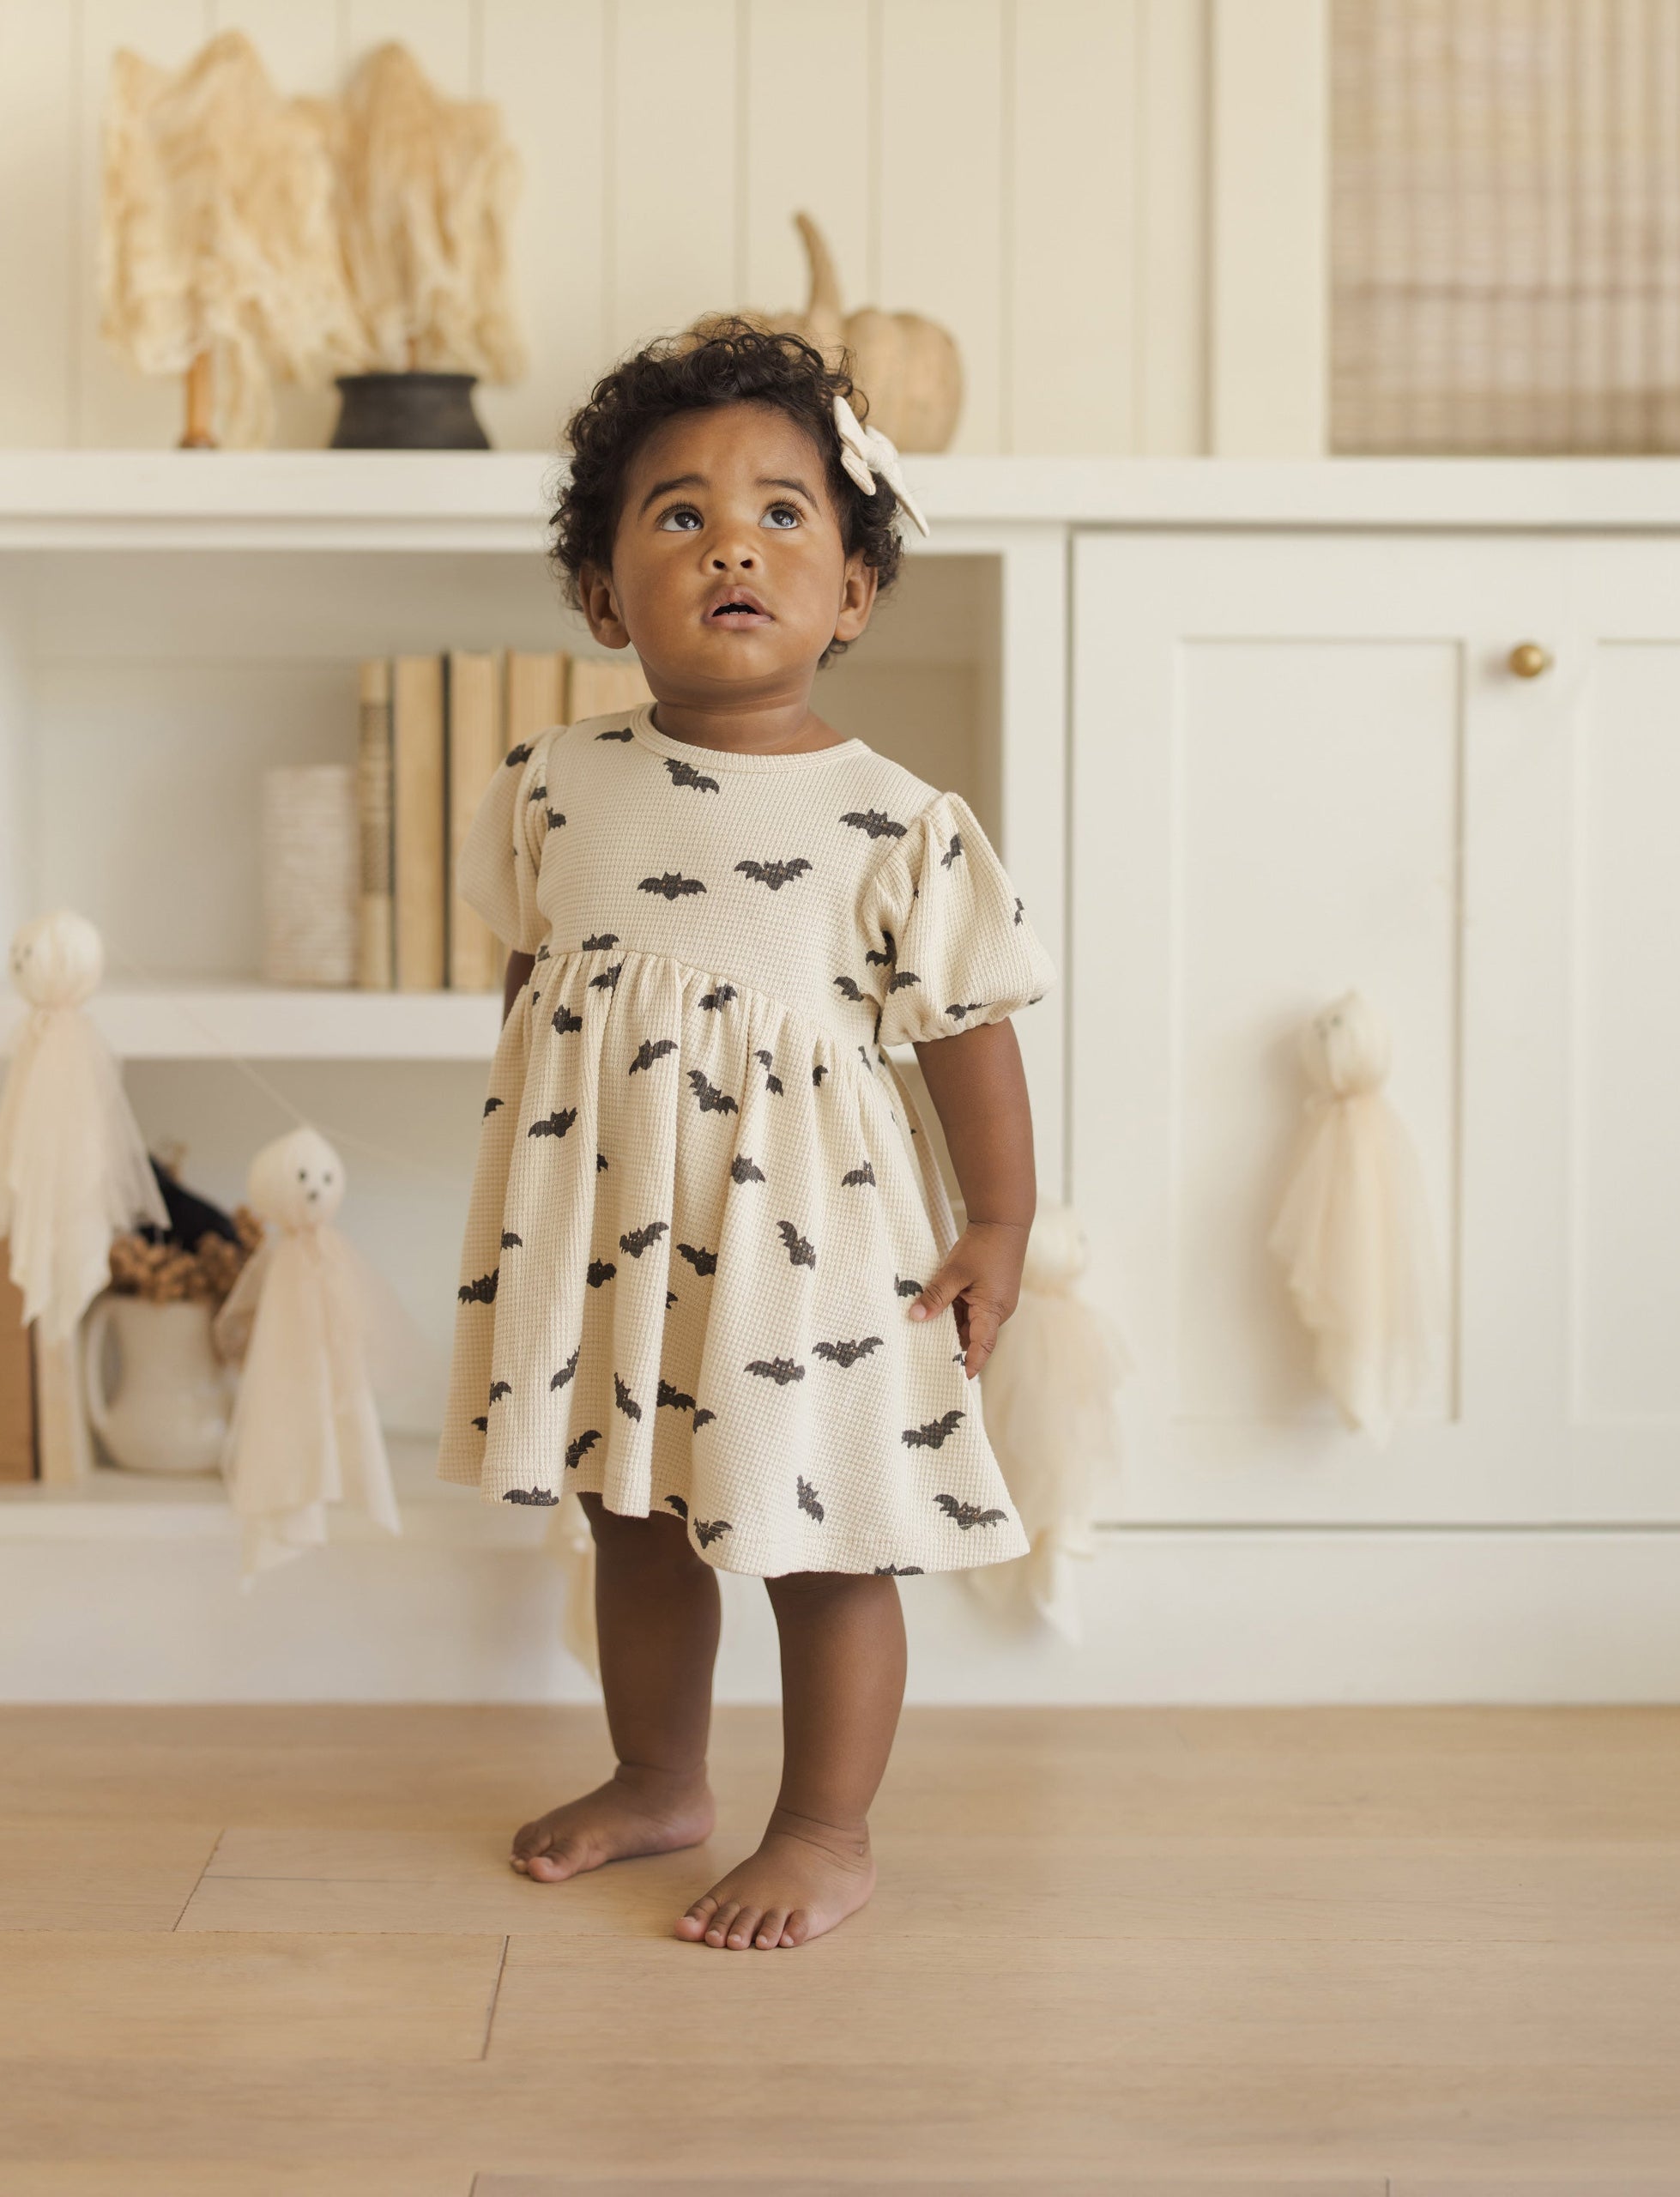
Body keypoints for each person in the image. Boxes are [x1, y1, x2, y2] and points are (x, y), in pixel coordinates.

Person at [434, 320, 1052, 1950]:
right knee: (631, 1512)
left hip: (819, 1239)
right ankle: (659, 1779)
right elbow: (538, 988)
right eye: (679, 513)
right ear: (600, 592)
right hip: (617, 1223)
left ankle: (827, 1829)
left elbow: (967, 1037)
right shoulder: (552, 782)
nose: (733, 543)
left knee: (824, 1533)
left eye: (786, 513)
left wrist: (999, 1227)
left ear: (851, 593)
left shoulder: (894, 821)